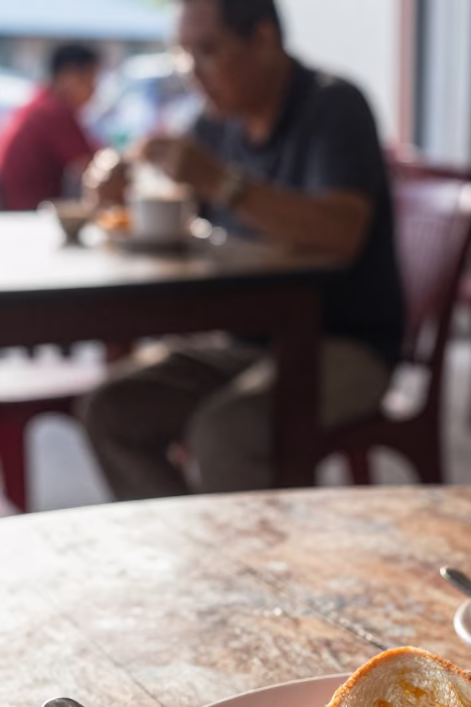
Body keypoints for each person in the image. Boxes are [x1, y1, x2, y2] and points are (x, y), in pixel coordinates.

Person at [82, 0, 404, 499]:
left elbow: (342, 232)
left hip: (345, 343)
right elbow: (170, 195)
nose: (193, 73)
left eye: (208, 52)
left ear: (264, 39)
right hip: (249, 341)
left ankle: (246, 572)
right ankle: (195, 550)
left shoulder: (333, 105)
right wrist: (117, 179)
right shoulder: (215, 122)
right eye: (183, 54)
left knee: (225, 431)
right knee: (112, 407)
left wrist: (222, 182)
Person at [0, 45, 100, 210]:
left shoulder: (39, 102)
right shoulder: (53, 112)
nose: (93, 90)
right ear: (69, 76)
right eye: (90, 80)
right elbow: (95, 165)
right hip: (28, 215)